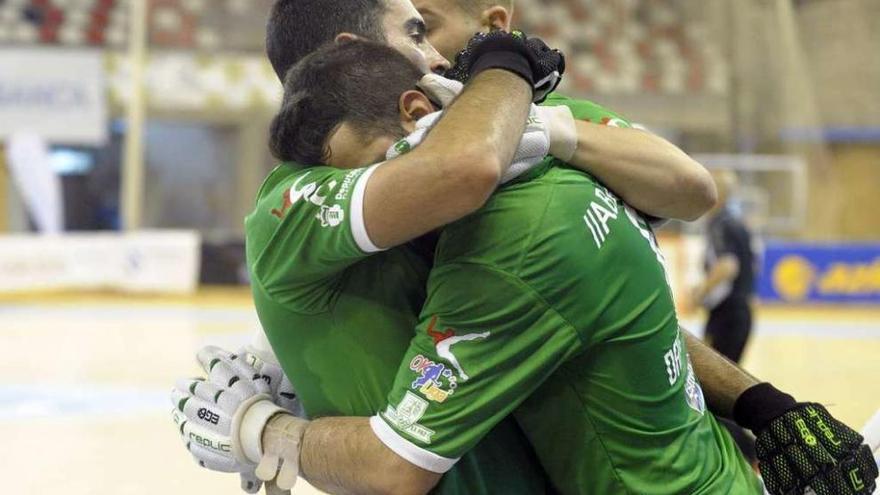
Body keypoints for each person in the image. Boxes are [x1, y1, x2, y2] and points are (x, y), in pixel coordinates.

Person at [170, 2, 877, 495]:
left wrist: (264, 431)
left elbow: (690, 190)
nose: (445, 55)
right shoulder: (344, 188)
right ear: (365, 59)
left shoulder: (519, 184)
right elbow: (464, 179)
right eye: (419, 30)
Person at [692, 169, 757, 364]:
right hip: (742, 312)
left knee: (711, 382)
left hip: (726, 314)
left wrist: (701, 291)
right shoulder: (740, 224)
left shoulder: (719, 224)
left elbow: (728, 265)